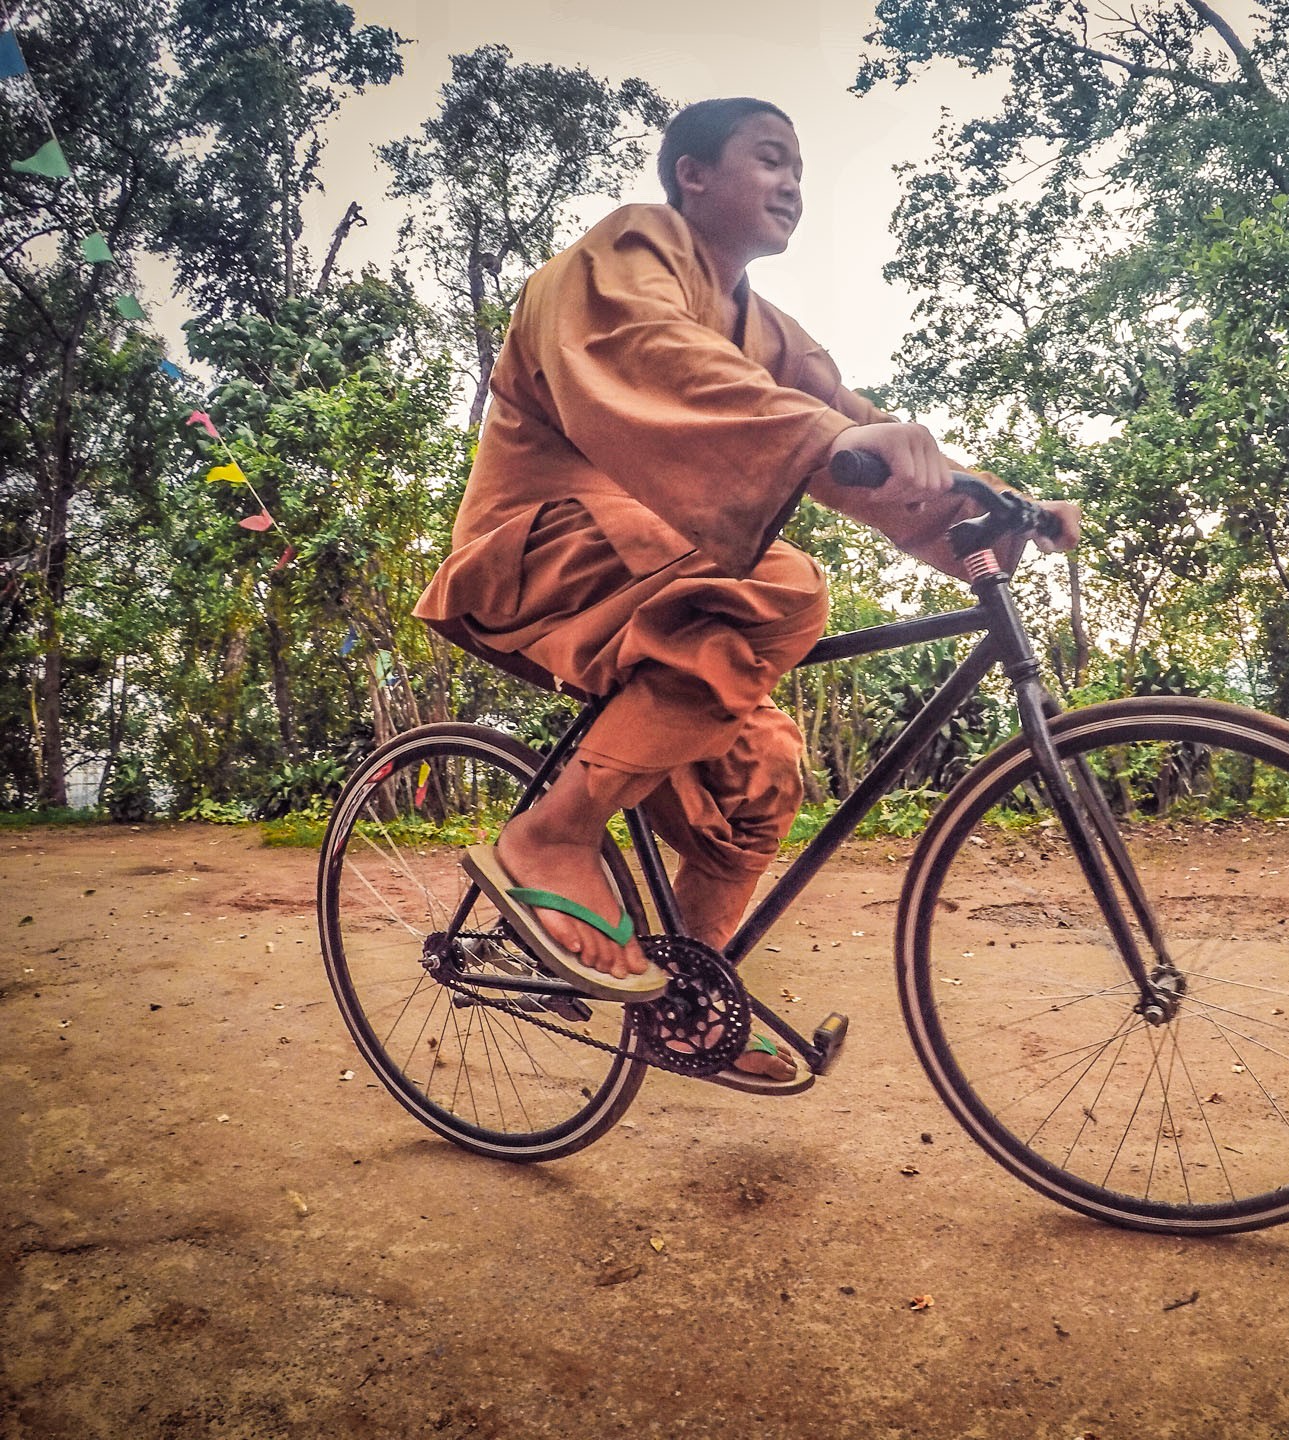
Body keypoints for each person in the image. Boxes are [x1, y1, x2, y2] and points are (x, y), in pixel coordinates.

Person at [413, 97, 1080, 1092]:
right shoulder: (621, 257)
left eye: (799, 169)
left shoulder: (768, 333)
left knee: (764, 766)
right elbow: (652, 360)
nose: (790, 185)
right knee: (779, 587)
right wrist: (826, 441)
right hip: (543, 550)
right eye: (770, 159)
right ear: (692, 173)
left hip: (654, 577)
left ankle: (683, 1007)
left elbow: (842, 422)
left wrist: (995, 506)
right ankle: (551, 835)